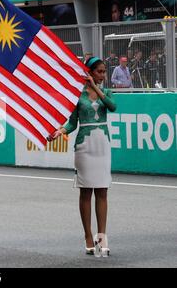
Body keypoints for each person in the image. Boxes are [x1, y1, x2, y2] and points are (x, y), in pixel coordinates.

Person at [48, 57, 116, 258]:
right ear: (90, 72)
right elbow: (72, 123)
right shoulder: (76, 96)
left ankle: (101, 236)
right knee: (86, 192)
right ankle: (87, 235)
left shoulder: (106, 92)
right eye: (99, 72)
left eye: (104, 72)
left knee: (102, 191)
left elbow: (112, 107)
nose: (103, 75)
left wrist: (96, 87)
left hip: (102, 144)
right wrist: (60, 131)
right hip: (84, 146)